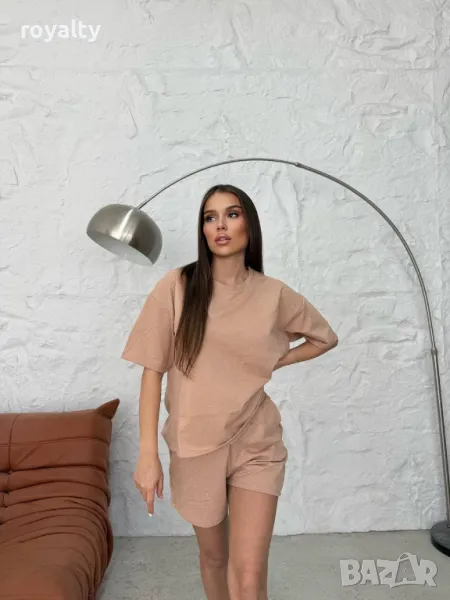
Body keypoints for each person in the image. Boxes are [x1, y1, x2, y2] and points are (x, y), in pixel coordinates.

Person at [121, 183, 338, 600]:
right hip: (194, 445)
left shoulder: (274, 294)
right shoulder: (177, 286)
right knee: (215, 558)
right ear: (203, 230)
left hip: (257, 441)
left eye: (232, 214)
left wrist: (276, 361)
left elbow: (324, 337)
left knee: (250, 577)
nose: (220, 225)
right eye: (210, 217)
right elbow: (152, 372)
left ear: (248, 226)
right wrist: (148, 455)